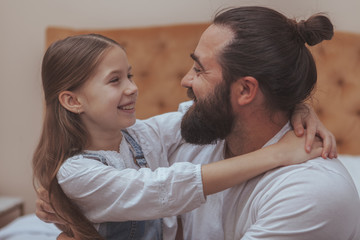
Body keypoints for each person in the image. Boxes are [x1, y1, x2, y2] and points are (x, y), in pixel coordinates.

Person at [32, 33, 329, 240]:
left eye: (130, 76)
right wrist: (275, 154)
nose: (132, 88)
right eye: (114, 80)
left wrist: (293, 107)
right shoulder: (77, 173)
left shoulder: (142, 135)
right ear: (73, 101)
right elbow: (163, 189)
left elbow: (217, 109)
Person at [167, 6, 359, 239]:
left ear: (246, 90)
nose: (185, 80)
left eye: (199, 69)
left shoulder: (312, 193)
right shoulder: (203, 127)